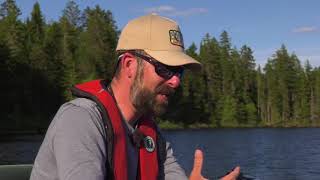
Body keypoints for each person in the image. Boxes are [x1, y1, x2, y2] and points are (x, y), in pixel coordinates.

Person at [30, 14, 240, 180]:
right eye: (165, 69)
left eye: (179, 72)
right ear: (130, 65)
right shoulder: (80, 119)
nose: (176, 82)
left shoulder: (150, 132)